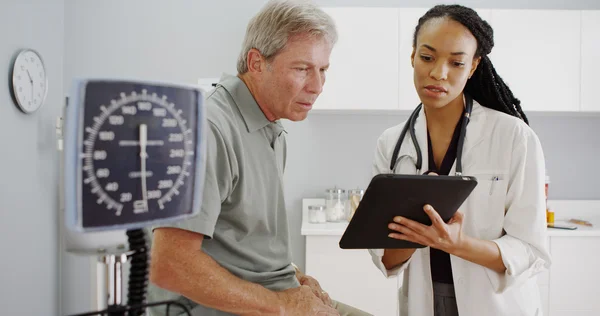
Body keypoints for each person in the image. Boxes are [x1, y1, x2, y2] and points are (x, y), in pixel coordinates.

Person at [146, 1, 371, 315]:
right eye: (303, 69)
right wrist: (282, 305)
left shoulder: (270, 127)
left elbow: (242, 243)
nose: (318, 86)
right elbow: (170, 267)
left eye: (323, 70)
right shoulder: (208, 129)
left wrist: (296, 277)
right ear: (256, 62)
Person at [369, 4, 551, 316]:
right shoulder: (391, 143)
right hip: (424, 303)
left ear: (473, 66)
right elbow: (387, 260)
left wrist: (456, 244)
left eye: (456, 63)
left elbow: (531, 250)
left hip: (495, 303)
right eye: (427, 57)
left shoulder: (513, 137)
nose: (438, 73)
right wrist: (411, 234)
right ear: (412, 55)